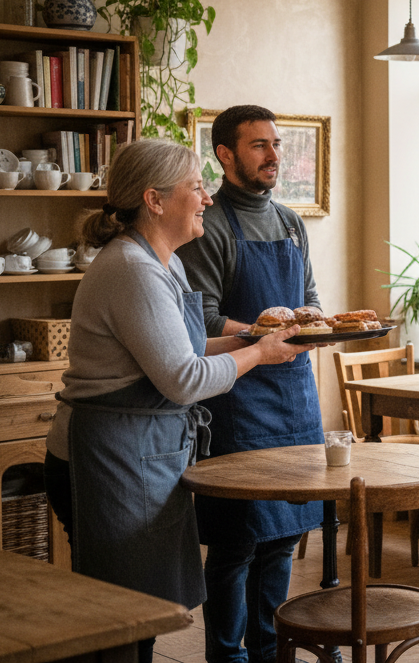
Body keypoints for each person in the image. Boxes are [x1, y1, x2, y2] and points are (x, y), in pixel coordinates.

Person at [42, 139, 311, 663]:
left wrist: (256, 338)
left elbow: (183, 348)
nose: (207, 198)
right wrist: (259, 355)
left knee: (140, 613)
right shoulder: (132, 270)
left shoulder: (164, 263)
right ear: (155, 200)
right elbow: (185, 378)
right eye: (195, 187)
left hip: (140, 454)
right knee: (120, 619)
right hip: (105, 460)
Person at [175, 105, 326, 663]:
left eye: (277, 145)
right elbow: (203, 321)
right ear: (225, 155)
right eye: (260, 146)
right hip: (237, 398)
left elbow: (311, 300)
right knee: (237, 539)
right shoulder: (210, 226)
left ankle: (270, 647)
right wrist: (264, 333)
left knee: (284, 532)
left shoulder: (290, 222)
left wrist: (308, 321)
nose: (273, 156)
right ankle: (227, 655)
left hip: (294, 398)